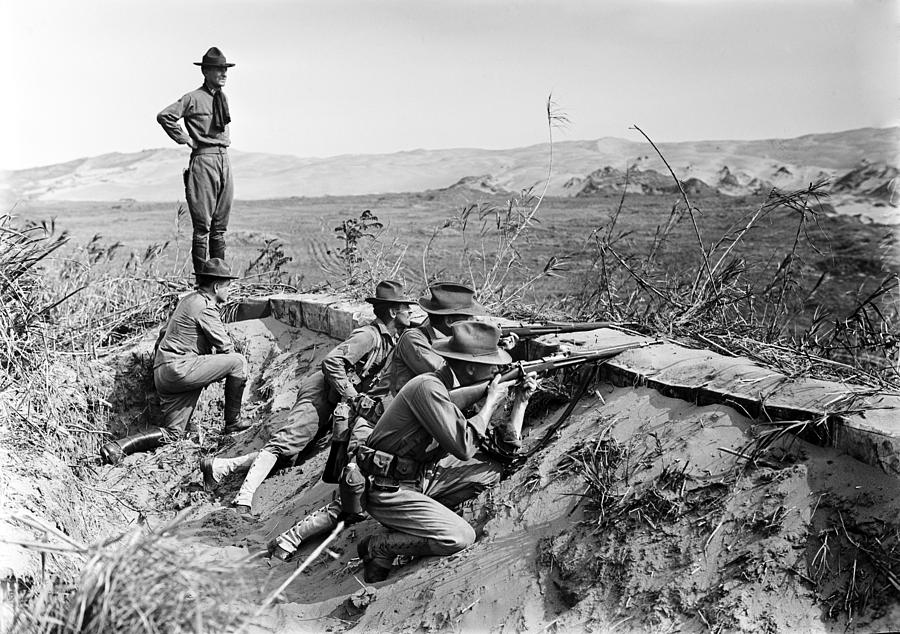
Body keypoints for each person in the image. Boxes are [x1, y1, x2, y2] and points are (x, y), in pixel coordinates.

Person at [268, 283, 524, 561]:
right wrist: (491, 386)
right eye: (469, 320)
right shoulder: (415, 340)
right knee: (352, 498)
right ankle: (289, 538)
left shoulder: (442, 349)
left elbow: (459, 382)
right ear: (451, 321)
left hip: (410, 437)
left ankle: (408, 522)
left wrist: (492, 354)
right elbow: (446, 378)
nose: (473, 323)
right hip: (373, 426)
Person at [200, 280, 415, 515]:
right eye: (406, 308)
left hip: (335, 397)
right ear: (394, 312)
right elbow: (332, 362)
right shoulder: (368, 336)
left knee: (292, 456)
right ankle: (243, 500)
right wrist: (353, 397)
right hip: (321, 392)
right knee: (286, 442)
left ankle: (220, 467)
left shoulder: (391, 339)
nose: (411, 312)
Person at [354, 320, 536, 582]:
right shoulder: (428, 387)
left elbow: (502, 451)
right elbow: (464, 446)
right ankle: (380, 545)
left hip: (416, 478)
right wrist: (490, 404)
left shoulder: (446, 388)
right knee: (460, 537)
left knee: (491, 470)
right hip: (387, 488)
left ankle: (415, 521)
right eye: (492, 364)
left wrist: (521, 402)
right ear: (471, 368)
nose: (498, 369)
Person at [98, 258, 247, 465]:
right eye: (228, 286)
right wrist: (227, 373)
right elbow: (226, 349)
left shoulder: (187, 300)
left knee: (173, 434)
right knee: (238, 361)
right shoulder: (205, 306)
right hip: (180, 368)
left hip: (164, 373)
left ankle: (118, 447)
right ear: (216, 286)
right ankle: (233, 423)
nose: (229, 291)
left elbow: (162, 334)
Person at [157, 47, 235, 274]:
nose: (224, 73)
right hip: (204, 159)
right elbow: (165, 116)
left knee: (220, 228)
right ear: (206, 71)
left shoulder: (222, 97)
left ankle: (219, 278)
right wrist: (185, 139)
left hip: (224, 159)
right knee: (203, 226)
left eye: (225, 69)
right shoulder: (192, 98)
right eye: (219, 69)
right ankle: (202, 280)